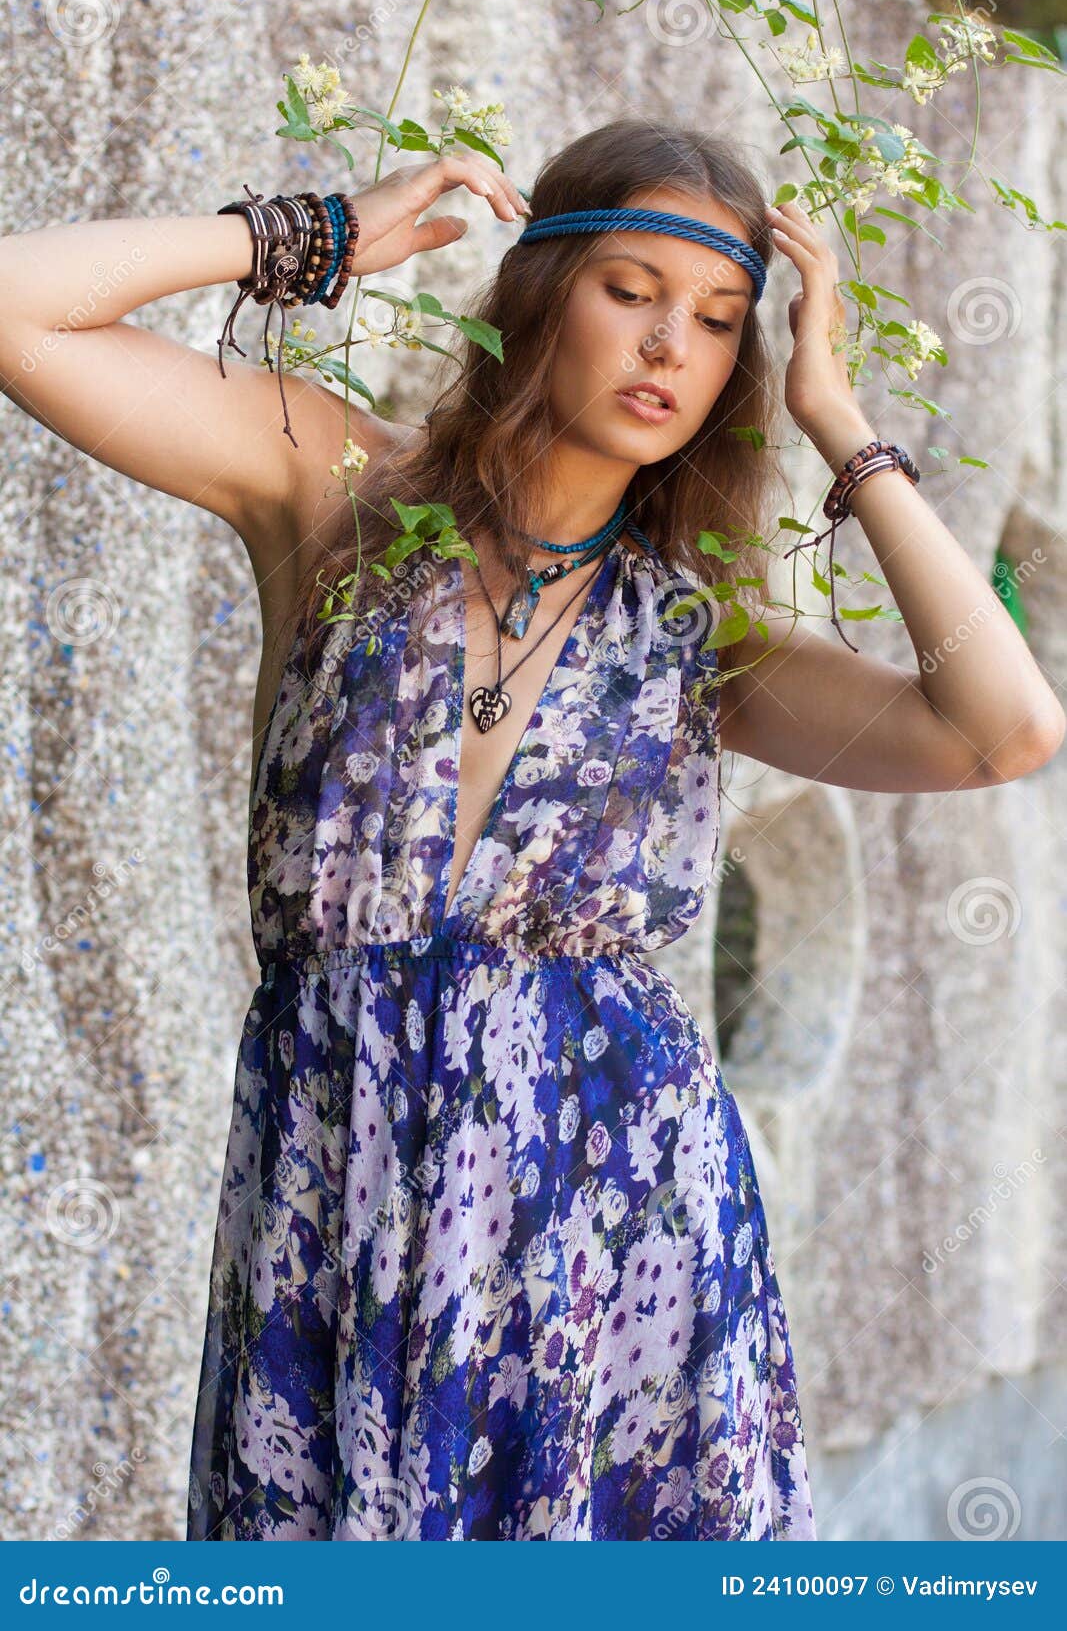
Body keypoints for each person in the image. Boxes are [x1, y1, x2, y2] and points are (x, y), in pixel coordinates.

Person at [1, 118, 1061, 1543]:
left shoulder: (702, 633)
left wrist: (838, 419)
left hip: (620, 1244)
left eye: (720, 321)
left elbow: (1005, 729)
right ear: (537, 288)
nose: (671, 347)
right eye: (633, 290)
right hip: (335, 1205)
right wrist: (311, 237)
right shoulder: (336, 489)